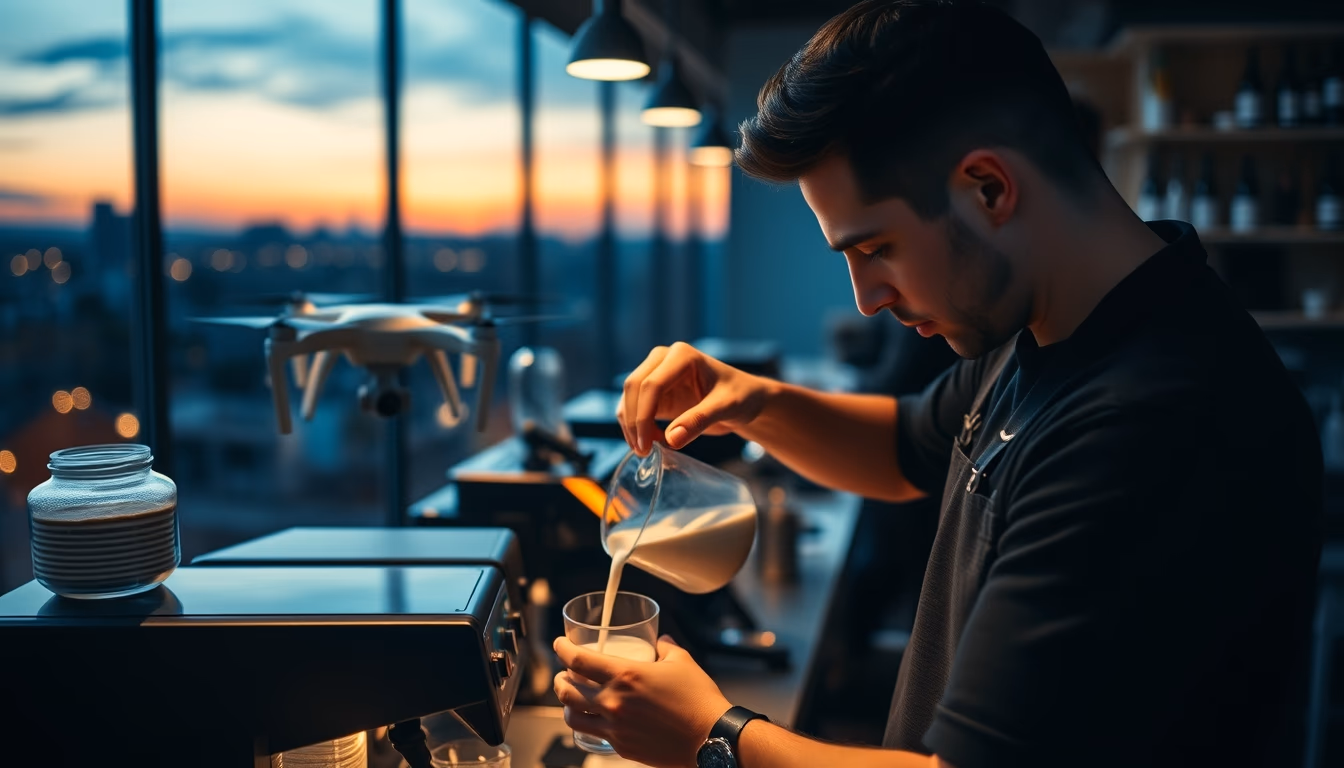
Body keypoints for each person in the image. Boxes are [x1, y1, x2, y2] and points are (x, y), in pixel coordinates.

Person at [551, 2, 1324, 767]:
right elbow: (906, 446)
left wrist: (712, 737)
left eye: (876, 247)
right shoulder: (1054, 323)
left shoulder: (1150, 424)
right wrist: (749, 399)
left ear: (988, 187)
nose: (866, 297)